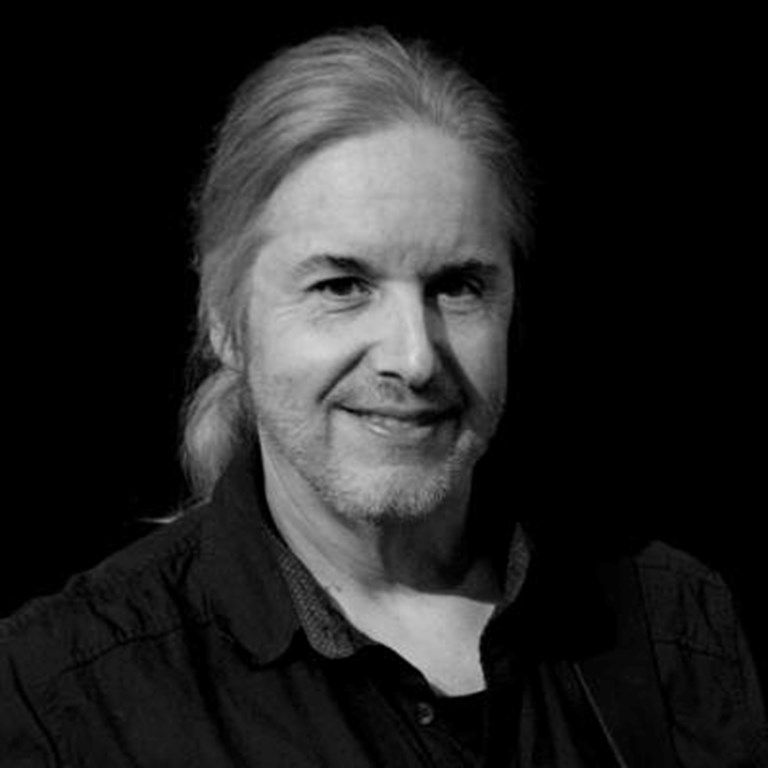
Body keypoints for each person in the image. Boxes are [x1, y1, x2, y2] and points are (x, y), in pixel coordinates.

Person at [1, 28, 765, 767]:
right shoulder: (62, 694)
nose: (414, 358)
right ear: (224, 322)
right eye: (342, 285)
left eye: (458, 286)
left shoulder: (669, 621)